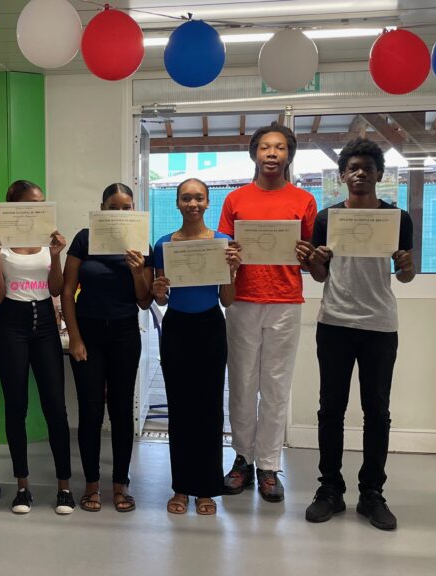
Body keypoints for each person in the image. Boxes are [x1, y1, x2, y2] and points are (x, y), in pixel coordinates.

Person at [305, 138, 415, 530]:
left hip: (379, 325)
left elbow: (405, 275)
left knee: (377, 412)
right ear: (342, 175)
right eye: (352, 168)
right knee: (330, 409)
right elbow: (319, 275)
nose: (360, 174)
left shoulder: (397, 219)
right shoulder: (327, 219)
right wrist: (317, 260)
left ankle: (372, 494)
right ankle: (330, 490)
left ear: (379, 174)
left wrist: (407, 264)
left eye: (367, 168)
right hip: (335, 322)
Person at [218, 124, 317, 503]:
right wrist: (229, 255)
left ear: (289, 155)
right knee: (242, 383)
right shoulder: (236, 199)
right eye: (264, 147)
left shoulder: (304, 200)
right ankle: (243, 459)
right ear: (254, 154)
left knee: (276, 387)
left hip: (285, 301)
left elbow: (312, 257)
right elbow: (224, 248)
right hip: (243, 300)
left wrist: (308, 255)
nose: (271, 153)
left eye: (279, 147)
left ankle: (269, 465)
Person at [62, 183, 153, 513]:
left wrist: (137, 270)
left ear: (133, 210)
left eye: (126, 208)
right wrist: (75, 337)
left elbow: (144, 300)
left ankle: (120, 484)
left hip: (125, 333)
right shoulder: (85, 238)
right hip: (87, 332)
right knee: (90, 410)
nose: (119, 213)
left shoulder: (140, 243)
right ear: (102, 209)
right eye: (113, 207)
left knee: (121, 409)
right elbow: (67, 290)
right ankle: (91, 484)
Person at [0, 180, 74, 515]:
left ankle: (64, 486)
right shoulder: (0, 243)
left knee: (55, 407)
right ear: (13, 207)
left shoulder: (46, 241)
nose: (37, 209)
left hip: (45, 324)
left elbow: (56, 288)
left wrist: (56, 255)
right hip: (10, 324)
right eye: (30, 204)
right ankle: (22, 486)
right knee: (16, 406)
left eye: (41, 203)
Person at [152, 178, 241, 516]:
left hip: (210, 327)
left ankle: (206, 489)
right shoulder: (164, 244)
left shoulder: (222, 243)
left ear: (207, 202)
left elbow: (227, 300)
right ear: (177, 203)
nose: (193, 204)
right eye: (186, 198)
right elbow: (162, 299)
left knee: (209, 408)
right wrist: (159, 291)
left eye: (199, 198)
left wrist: (232, 271)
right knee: (180, 409)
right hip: (177, 328)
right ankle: (181, 487)